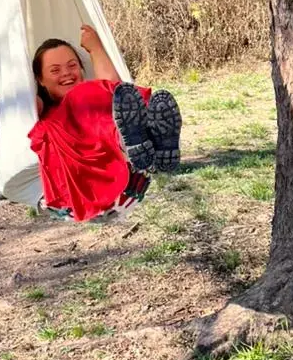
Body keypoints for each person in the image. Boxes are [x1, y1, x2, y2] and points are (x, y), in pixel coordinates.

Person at [29, 25, 182, 222]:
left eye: (72, 65)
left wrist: (96, 48)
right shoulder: (44, 110)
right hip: (85, 161)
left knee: (106, 93)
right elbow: (25, 106)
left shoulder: (93, 92)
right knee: (91, 94)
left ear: (81, 68)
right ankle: (141, 142)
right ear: (40, 80)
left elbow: (117, 91)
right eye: (55, 70)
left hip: (110, 138)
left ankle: (146, 144)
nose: (66, 73)